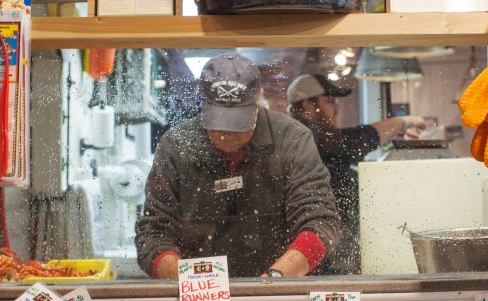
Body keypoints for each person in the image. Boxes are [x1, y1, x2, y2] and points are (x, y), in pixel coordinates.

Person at [136, 54, 341, 279]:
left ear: (256, 104)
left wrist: (274, 281)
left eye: (237, 123)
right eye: (218, 123)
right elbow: (153, 233)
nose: (227, 135)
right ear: (202, 106)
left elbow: (321, 222)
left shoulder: (292, 139)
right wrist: (194, 284)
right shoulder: (175, 145)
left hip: (283, 290)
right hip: (197, 299)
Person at [286, 73, 427, 274]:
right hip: (322, 248)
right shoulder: (307, 137)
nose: (336, 108)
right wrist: (404, 121)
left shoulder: (301, 135)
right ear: (308, 105)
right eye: (330, 101)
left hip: (326, 243)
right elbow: (356, 140)